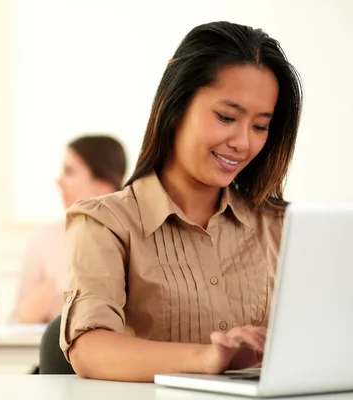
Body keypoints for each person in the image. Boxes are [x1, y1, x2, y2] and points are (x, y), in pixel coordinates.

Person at [60, 21, 302, 382]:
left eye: (260, 126)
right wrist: (208, 358)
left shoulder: (283, 226)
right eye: (227, 117)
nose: (243, 142)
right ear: (177, 105)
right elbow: (90, 350)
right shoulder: (106, 222)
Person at [13, 135, 126, 324]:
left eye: (70, 172)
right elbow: (17, 320)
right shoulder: (44, 239)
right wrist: (25, 317)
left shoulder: (135, 240)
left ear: (102, 185)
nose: (59, 181)